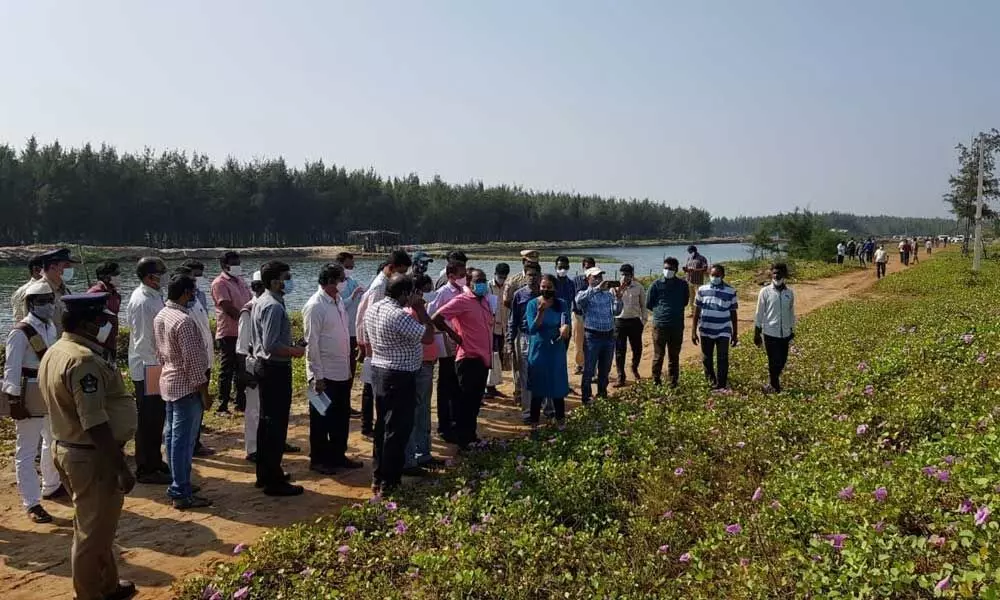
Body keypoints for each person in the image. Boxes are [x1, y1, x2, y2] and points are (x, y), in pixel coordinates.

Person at [39, 293, 137, 600]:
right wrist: (120, 466)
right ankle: (88, 594)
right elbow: (94, 421)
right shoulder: (82, 361)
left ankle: (106, 585)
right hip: (91, 456)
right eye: (99, 320)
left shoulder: (58, 350)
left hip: (69, 448)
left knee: (98, 526)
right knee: (91, 536)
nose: (104, 325)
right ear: (86, 323)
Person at [365, 275, 435, 495]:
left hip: (380, 372)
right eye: (413, 293)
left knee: (382, 428)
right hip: (400, 376)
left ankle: (378, 477)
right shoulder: (399, 315)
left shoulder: (374, 308)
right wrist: (421, 309)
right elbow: (429, 336)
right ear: (405, 294)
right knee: (397, 430)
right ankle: (390, 482)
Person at [3, 280, 65, 523]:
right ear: (30, 304)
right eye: (42, 301)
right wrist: (14, 401)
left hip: (49, 389)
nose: (48, 305)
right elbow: (11, 368)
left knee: (52, 441)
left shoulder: (49, 326)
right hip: (28, 393)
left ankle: (50, 485)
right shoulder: (20, 332)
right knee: (26, 450)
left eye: (50, 300)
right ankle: (31, 502)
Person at [153, 275, 213, 510]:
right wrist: (205, 393)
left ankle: (179, 482)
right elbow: (195, 363)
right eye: (194, 292)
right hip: (187, 387)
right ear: (187, 293)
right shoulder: (184, 322)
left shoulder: (162, 315)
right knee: (183, 441)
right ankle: (181, 489)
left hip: (169, 382)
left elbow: (160, 351)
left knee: (171, 437)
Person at [302, 263, 365, 476]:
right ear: (330, 282)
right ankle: (318, 459)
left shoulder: (337, 301)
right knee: (320, 418)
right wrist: (316, 376)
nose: (343, 283)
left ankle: (338, 454)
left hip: (341, 371)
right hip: (324, 374)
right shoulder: (315, 306)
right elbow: (311, 344)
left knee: (340, 417)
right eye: (341, 280)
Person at [250, 261, 306, 496]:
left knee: (267, 422)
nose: (290, 281)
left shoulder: (263, 300)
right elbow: (272, 345)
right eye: (287, 277)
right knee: (275, 424)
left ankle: (266, 473)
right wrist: (295, 351)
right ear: (275, 281)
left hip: (268, 366)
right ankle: (273, 480)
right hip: (274, 368)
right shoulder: (272, 305)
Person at [431, 268, 494, 449]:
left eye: (483, 280)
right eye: (478, 280)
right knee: (465, 402)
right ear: (469, 282)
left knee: (475, 401)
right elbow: (437, 318)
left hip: (483, 358)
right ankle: (463, 441)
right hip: (468, 358)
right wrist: (455, 336)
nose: (481, 283)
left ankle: (471, 436)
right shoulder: (462, 300)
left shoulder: (484, 301)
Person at [356, 251, 413, 437]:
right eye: (401, 271)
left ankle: (374, 425)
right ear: (392, 268)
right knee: (371, 387)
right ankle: (368, 426)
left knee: (374, 386)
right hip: (375, 345)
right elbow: (367, 317)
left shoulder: (384, 283)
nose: (403, 276)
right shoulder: (380, 286)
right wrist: (366, 346)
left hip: (377, 343)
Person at [127, 257, 171, 485]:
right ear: (149, 277)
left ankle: (154, 460)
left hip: (154, 366)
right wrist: (159, 369)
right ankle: (146, 467)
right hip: (148, 368)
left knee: (157, 417)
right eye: (161, 272)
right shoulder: (143, 301)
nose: (165, 275)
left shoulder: (154, 296)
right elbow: (144, 343)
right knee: (149, 419)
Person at [176, 261, 216, 458]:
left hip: (203, 357)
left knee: (197, 408)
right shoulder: (181, 308)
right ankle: (190, 445)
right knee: (187, 409)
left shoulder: (197, 298)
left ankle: (195, 441)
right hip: (190, 363)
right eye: (193, 278)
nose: (197, 282)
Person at [403, 274, 443, 475]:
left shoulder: (419, 310)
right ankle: (412, 458)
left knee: (424, 410)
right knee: (416, 411)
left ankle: (423, 452)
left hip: (426, 365)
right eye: (424, 290)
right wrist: (420, 309)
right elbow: (428, 333)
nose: (428, 295)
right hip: (418, 366)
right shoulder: (410, 313)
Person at [427, 259, 469, 440]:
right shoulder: (443, 293)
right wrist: (450, 332)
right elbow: (431, 315)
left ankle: (455, 420)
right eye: (461, 275)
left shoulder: (464, 291)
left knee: (457, 382)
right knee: (446, 383)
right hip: (447, 341)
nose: (464, 278)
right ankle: (444, 426)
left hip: (461, 342)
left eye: (465, 275)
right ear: (450, 276)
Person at [524, 275, 571, 425]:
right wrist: (541, 312)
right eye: (543, 287)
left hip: (556, 350)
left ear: (555, 288)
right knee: (538, 388)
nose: (545, 290)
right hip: (539, 351)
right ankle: (534, 424)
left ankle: (561, 421)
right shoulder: (532, 304)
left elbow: (567, 323)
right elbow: (531, 329)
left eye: (549, 287)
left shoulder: (562, 304)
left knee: (557, 386)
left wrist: (565, 328)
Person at [211, 251, 252, 415]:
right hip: (228, 332)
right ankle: (222, 405)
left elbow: (250, 301)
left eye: (238, 262)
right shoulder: (219, 283)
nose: (237, 266)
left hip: (243, 332)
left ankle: (240, 402)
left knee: (242, 368)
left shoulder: (241, 281)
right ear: (224, 265)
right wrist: (244, 319)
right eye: (234, 263)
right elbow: (227, 307)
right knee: (226, 370)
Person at [575, 267, 622, 404]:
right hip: (592, 337)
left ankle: (602, 393)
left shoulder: (608, 295)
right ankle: (587, 397)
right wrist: (596, 289)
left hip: (608, 336)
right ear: (588, 279)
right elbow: (579, 302)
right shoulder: (584, 293)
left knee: (605, 369)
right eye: (595, 277)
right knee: (589, 369)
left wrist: (618, 299)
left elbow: (616, 312)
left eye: (600, 276)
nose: (599, 279)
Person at [692, 265, 739, 390]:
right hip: (706, 329)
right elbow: (696, 312)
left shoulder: (730, 291)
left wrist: (735, 333)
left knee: (722, 358)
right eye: (712, 275)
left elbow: (733, 313)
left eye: (717, 275)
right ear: (709, 275)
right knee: (707, 358)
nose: (715, 278)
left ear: (723, 276)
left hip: (723, 330)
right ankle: (711, 381)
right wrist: (693, 331)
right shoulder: (702, 290)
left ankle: (721, 384)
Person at [506, 262, 542, 420]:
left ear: (540, 276)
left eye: (535, 275)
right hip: (524, 337)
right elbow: (513, 320)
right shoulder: (519, 295)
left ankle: (547, 408)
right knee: (525, 374)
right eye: (529, 275)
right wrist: (509, 341)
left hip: (542, 337)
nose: (532, 278)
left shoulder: (545, 293)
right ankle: (528, 411)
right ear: (525, 276)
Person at [646, 257, 690, 387]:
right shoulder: (656, 284)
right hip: (660, 325)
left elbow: (685, 302)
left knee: (674, 355)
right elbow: (649, 303)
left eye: (670, 269)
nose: (667, 271)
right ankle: (656, 380)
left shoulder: (682, 285)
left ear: (676, 270)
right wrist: (661, 311)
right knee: (658, 355)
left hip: (676, 325)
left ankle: (673, 381)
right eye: (665, 268)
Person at [753, 263, 796, 393]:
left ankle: (772, 383)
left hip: (785, 333)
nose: (777, 275)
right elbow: (759, 313)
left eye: (779, 273)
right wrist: (757, 333)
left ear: (784, 275)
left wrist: (792, 330)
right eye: (774, 273)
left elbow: (791, 312)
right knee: (773, 360)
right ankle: (774, 385)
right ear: (771, 274)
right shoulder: (765, 292)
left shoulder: (789, 293)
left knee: (782, 360)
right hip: (770, 332)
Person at [334, 252, 367, 419]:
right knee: (342, 370)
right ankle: (340, 405)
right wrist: (353, 296)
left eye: (352, 267)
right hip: (344, 332)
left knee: (350, 370)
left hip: (354, 332)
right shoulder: (337, 285)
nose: (350, 270)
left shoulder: (352, 282)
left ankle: (345, 404)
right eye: (347, 267)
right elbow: (339, 306)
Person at [239, 271, 265, 462]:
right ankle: (253, 447)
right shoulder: (248, 311)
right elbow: (241, 346)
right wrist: (244, 374)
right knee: (254, 408)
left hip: (268, 362)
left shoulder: (269, 305)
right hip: (253, 363)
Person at [613, 264, 646, 387]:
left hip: (635, 322)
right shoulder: (615, 287)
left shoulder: (639, 287)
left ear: (631, 275)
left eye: (627, 274)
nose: (624, 277)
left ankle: (634, 368)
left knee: (637, 348)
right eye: (622, 274)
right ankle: (621, 376)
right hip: (620, 322)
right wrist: (619, 293)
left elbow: (643, 305)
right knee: (620, 351)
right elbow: (611, 306)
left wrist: (644, 321)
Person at [485, 263, 511, 399]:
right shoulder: (488, 287)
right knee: (491, 357)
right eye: (500, 276)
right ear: (495, 274)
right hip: (491, 328)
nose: (502, 279)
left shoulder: (507, 287)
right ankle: (488, 387)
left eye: (504, 277)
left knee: (498, 357)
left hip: (503, 328)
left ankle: (492, 386)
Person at [87, 261, 123, 358]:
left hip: (111, 341)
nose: (119, 276)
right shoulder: (94, 293)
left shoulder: (116, 295)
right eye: (115, 274)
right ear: (105, 276)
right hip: (96, 343)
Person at [40, 247, 78, 334]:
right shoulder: (38, 292)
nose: (70, 268)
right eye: (66, 265)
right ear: (52, 267)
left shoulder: (65, 290)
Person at [571, 257, 596, 374]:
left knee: (592, 341)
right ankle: (579, 364)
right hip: (578, 314)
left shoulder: (597, 280)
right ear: (583, 267)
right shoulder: (576, 280)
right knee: (578, 340)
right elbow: (574, 297)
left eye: (591, 267)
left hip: (592, 315)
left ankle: (591, 367)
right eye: (587, 267)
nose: (588, 269)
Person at [10, 254, 44, 323]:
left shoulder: (18, 292)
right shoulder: (43, 291)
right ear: (36, 269)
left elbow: (17, 318)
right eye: (50, 268)